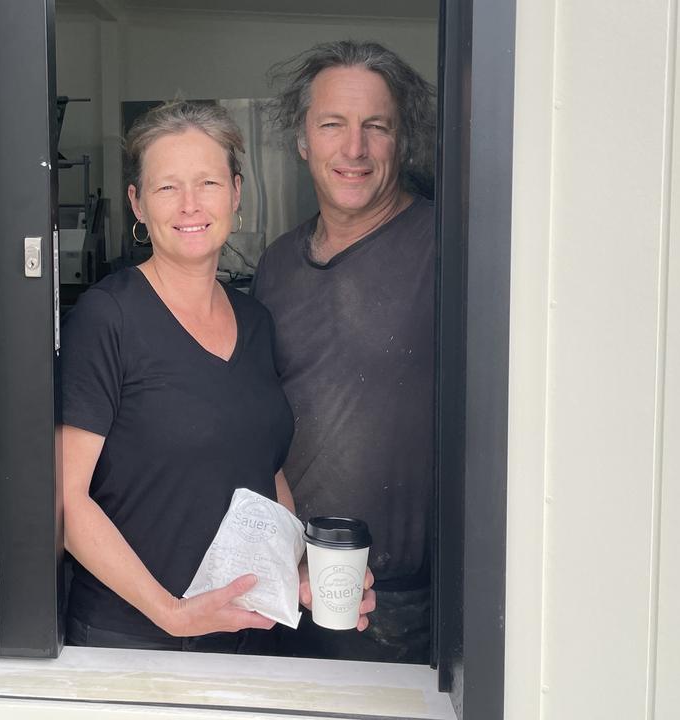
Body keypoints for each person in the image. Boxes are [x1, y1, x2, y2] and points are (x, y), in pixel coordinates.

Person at [60, 101, 372, 652]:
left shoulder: (254, 321)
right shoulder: (107, 317)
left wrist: (296, 569)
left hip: (244, 631)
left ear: (235, 193)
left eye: (207, 182)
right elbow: (66, 500)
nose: (189, 205)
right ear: (137, 202)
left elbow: (263, 471)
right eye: (166, 188)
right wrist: (172, 613)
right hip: (133, 640)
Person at [252, 41, 438, 664]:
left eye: (375, 127)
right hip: (290, 586)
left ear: (400, 141)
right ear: (303, 140)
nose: (353, 149)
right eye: (332, 125)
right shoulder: (276, 264)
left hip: (408, 603)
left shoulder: (447, 249)